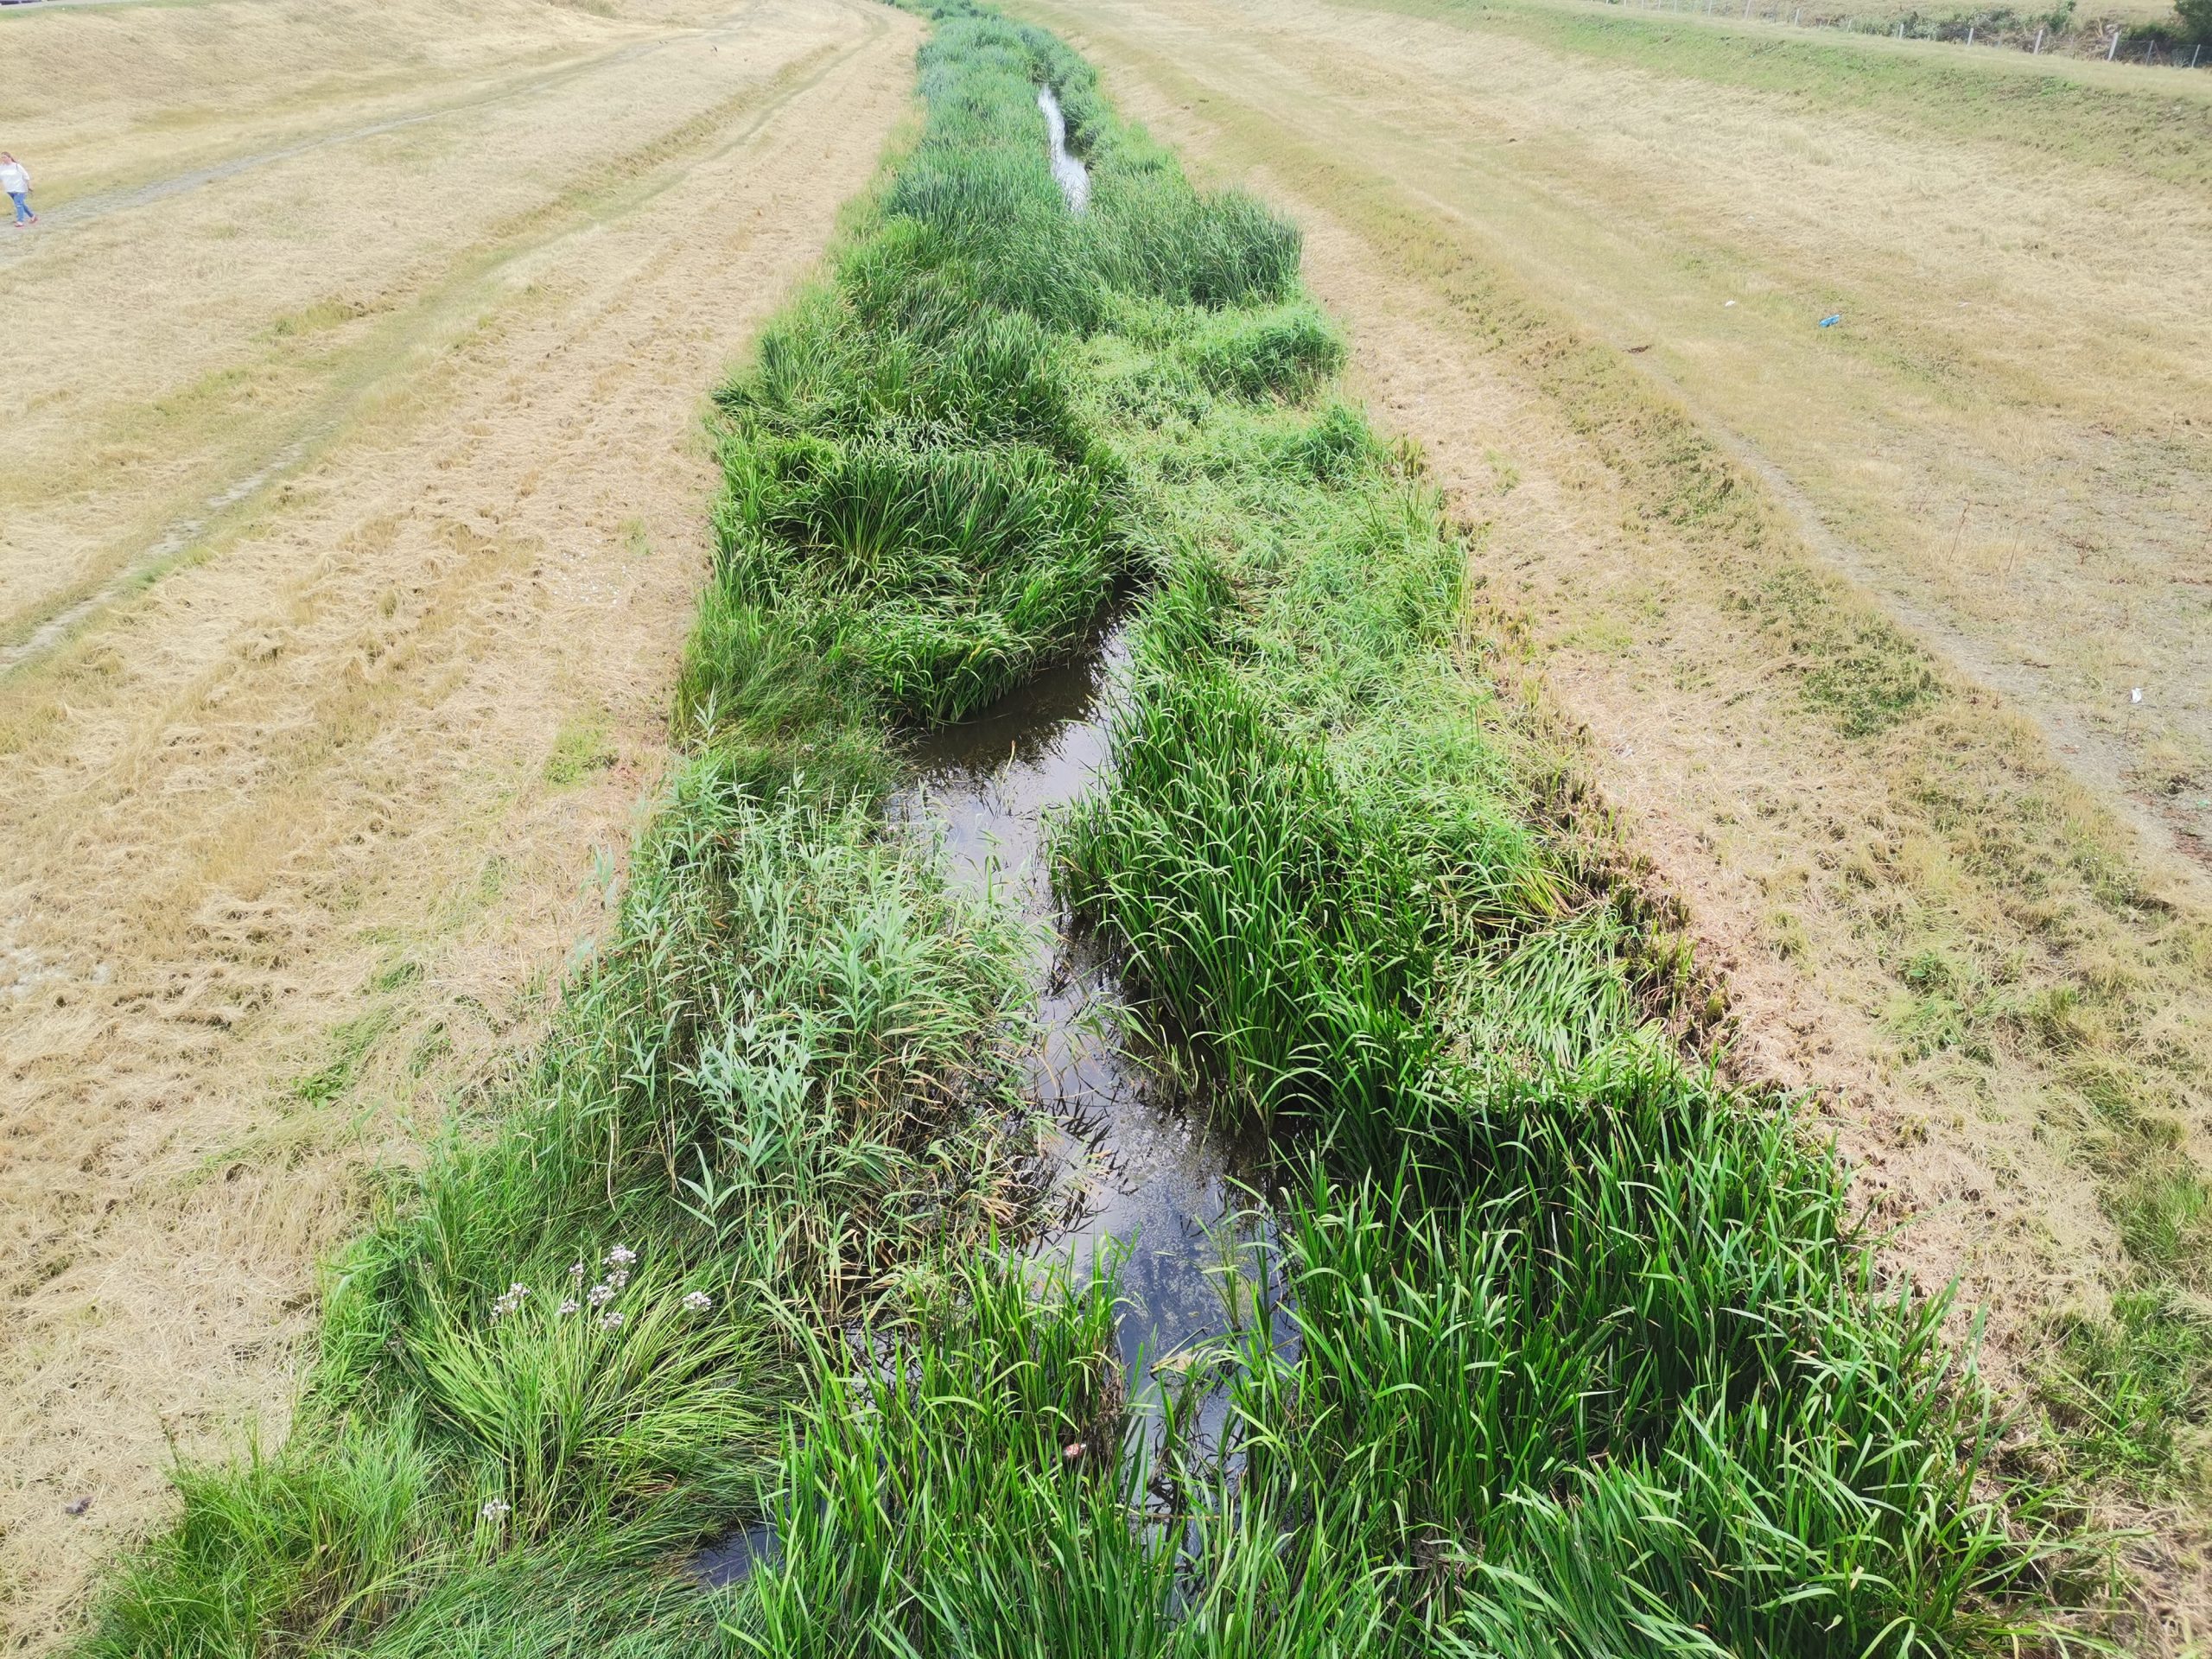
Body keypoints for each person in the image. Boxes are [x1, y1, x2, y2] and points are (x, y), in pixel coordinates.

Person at [1, 154, 36, 226]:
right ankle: (33, 216)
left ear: (9, 157)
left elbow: (26, 176)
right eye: (2, 158)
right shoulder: (2, 167)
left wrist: (29, 186)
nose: (3, 159)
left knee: (18, 205)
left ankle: (20, 221)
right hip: (9, 189)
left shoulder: (17, 166)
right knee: (21, 204)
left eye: (4, 157)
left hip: (19, 189)